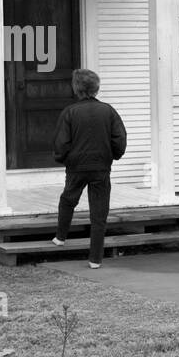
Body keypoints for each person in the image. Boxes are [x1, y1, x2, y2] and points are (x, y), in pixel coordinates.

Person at [51, 68, 127, 268]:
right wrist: (114, 155)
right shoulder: (109, 111)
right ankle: (95, 259)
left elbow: (61, 142)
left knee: (68, 199)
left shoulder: (70, 112)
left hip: (76, 167)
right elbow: (119, 139)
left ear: (76, 89)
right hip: (101, 167)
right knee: (99, 212)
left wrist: (63, 158)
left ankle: (60, 237)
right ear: (96, 88)